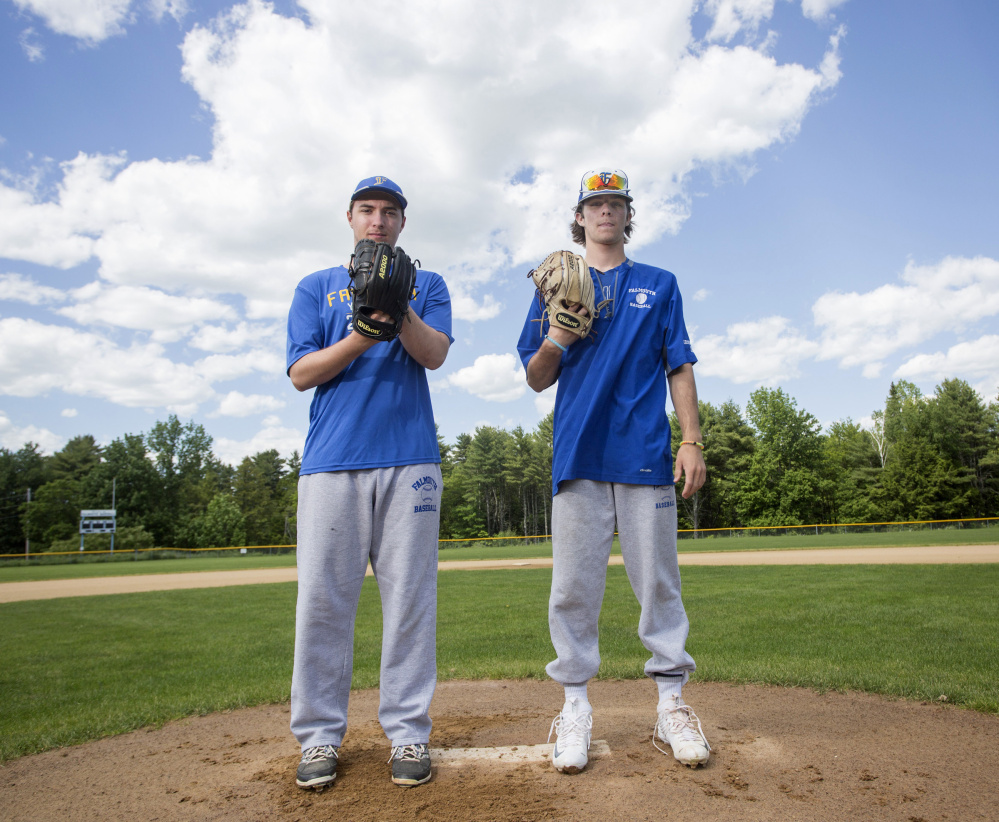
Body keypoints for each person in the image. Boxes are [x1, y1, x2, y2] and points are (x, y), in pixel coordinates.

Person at [516, 169, 711, 775]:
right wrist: (558, 334)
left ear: (628, 215)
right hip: (578, 454)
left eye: (616, 203)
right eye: (595, 203)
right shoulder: (556, 285)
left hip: (646, 455)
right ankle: (574, 706)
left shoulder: (660, 283)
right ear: (579, 217)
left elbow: (678, 364)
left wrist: (692, 439)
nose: (605, 212)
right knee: (573, 588)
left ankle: (671, 704)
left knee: (658, 584)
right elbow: (536, 374)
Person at [286, 176, 452, 789]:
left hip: (410, 459)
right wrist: (365, 332)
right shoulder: (316, 287)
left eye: (389, 212)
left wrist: (398, 308)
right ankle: (320, 737)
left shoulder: (425, 284)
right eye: (367, 210)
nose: (378, 220)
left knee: (409, 600)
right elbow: (302, 373)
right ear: (350, 218)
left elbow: (433, 354)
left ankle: (408, 736)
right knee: (324, 602)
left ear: (402, 223)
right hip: (331, 461)